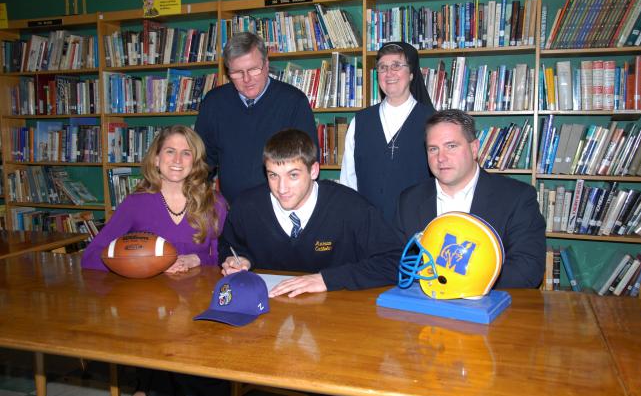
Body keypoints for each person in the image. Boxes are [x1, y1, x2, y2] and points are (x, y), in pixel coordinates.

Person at [220, 128, 402, 297]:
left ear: (313, 170)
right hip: (268, 312)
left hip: (336, 316)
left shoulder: (350, 207)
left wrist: (327, 279)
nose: (281, 188)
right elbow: (229, 249)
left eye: (293, 175)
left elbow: (398, 262)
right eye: (273, 175)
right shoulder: (246, 206)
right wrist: (240, 260)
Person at [394, 109, 546, 288]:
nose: (441, 158)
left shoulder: (517, 197)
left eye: (451, 146)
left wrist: (458, 286)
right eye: (433, 149)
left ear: (474, 149)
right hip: (423, 307)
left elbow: (528, 270)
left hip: (489, 309)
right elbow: (397, 261)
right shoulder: (409, 200)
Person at [82, 125, 227, 274]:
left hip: (198, 294)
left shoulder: (215, 203)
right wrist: (148, 263)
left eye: (186, 153)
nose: (177, 160)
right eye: (170, 151)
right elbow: (90, 257)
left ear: (195, 162)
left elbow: (224, 259)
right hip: (149, 294)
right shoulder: (135, 203)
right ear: (156, 159)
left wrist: (197, 259)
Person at [195, 31, 318, 204]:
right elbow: (202, 162)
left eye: (253, 69)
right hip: (232, 210)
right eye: (238, 72)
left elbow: (308, 161)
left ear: (266, 64)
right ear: (228, 71)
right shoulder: (214, 102)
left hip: (281, 209)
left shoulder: (293, 102)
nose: (247, 79)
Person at [340, 42, 435, 222]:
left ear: (412, 74)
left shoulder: (433, 122)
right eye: (383, 68)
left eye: (396, 66)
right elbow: (348, 179)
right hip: (368, 226)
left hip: (417, 228)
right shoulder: (359, 121)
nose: (389, 73)